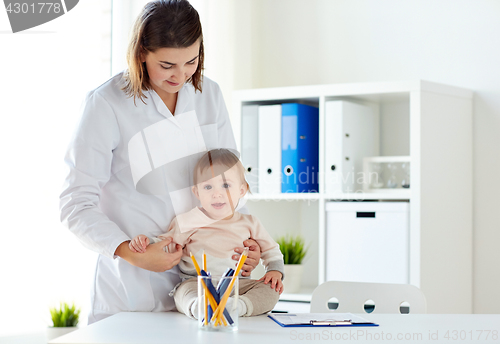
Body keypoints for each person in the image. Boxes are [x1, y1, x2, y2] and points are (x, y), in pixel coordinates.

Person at [59, 0, 262, 324]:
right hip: (131, 292)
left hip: (206, 285)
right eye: (167, 65)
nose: (180, 75)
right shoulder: (106, 104)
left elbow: (231, 183)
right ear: (141, 53)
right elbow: (75, 203)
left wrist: (248, 243)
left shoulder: (210, 95)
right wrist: (130, 251)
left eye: (191, 61)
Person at [129, 149, 284, 319]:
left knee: (271, 290)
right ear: (197, 192)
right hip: (197, 283)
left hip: (238, 285)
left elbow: (271, 250)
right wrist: (146, 242)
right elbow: (166, 243)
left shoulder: (250, 222)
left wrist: (275, 271)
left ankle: (239, 306)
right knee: (183, 293)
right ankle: (200, 307)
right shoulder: (187, 220)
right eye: (208, 186)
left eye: (226, 185)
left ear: (241, 190)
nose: (216, 193)